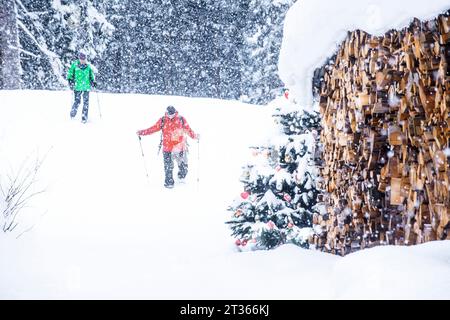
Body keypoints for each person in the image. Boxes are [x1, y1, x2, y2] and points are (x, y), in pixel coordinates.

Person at [136, 106, 199, 188]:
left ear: (175, 112)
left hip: (180, 148)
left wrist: (195, 136)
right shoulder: (163, 120)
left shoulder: (181, 119)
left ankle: (181, 177)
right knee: (168, 167)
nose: (170, 116)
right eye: (169, 114)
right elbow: (153, 128)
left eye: (172, 114)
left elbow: (188, 130)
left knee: (183, 166)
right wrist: (142, 132)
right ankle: (169, 183)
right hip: (167, 149)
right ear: (167, 113)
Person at [67, 51, 96, 124]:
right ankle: (73, 113)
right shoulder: (74, 65)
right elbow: (70, 74)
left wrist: (93, 81)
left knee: (86, 103)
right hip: (77, 86)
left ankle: (84, 118)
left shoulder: (88, 66)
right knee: (77, 101)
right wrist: (70, 80)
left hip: (86, 87)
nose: (83, 60)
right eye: (81, 59)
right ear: (79, 59)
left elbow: (91, 75)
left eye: (84, 59)